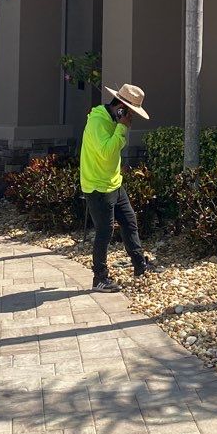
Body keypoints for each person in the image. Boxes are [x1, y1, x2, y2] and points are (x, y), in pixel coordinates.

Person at [79, 81, 152, 292]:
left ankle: (140, 265)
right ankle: (99, 279)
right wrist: (121, 127)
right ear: (122, 108)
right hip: (98, 187)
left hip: (114, 183)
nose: (132, 118)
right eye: (131, 112)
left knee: (130, 222)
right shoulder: (98, 123)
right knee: (104, 232)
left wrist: (120, 126)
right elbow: (107, 153)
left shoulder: (113, 119)